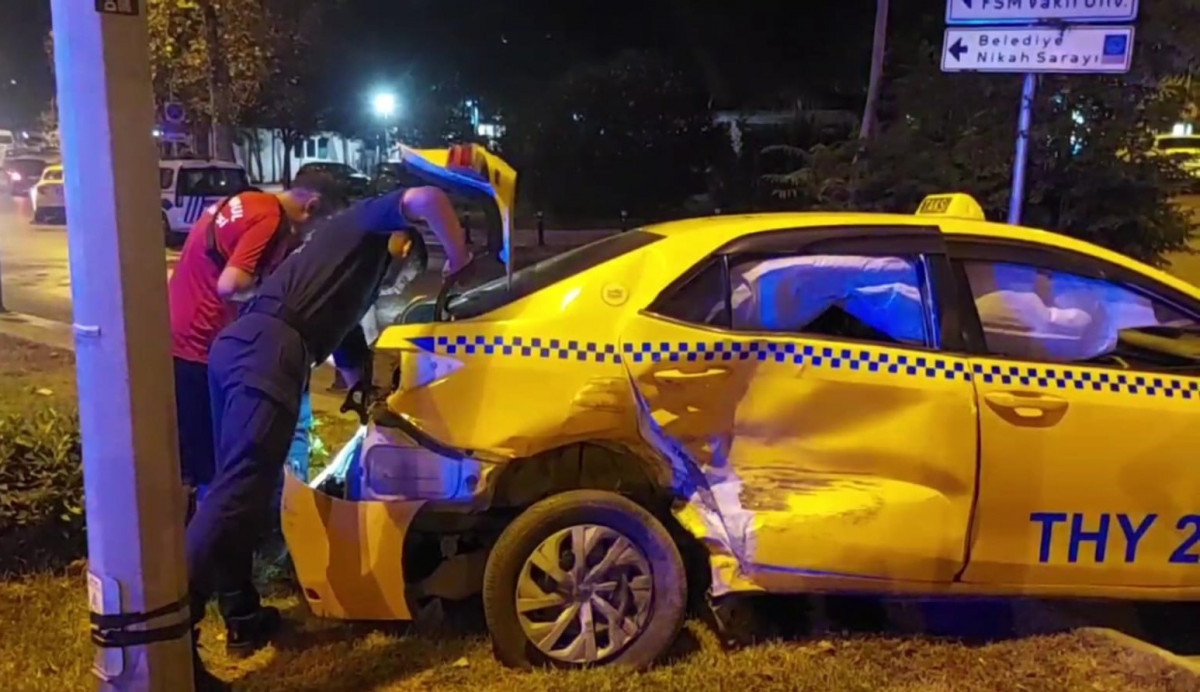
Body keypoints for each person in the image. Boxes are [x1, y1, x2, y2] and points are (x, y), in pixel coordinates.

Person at [187, 185, 469, 689]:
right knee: (238, 494)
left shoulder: (342, 286)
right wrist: (458, 256)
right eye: (403, 276)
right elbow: (427, 196)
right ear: (402, 247)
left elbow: (353, 365)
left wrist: (379, 402)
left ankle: (241, 618)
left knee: (228, 489)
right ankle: (168, 639)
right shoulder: (360, 225)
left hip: (241, 346)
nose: (393, 290)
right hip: (268, 352)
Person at [167, 172, 340, 659]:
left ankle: (238, 611)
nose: (307, 237)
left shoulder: (245, 202)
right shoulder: (270, 220)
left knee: (217, 486)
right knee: (222, 490)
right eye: (314, 226)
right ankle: (191, 621)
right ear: (310, 205)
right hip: (201, 351)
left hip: (185, 345)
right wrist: (269, 300)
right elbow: (231, 283)